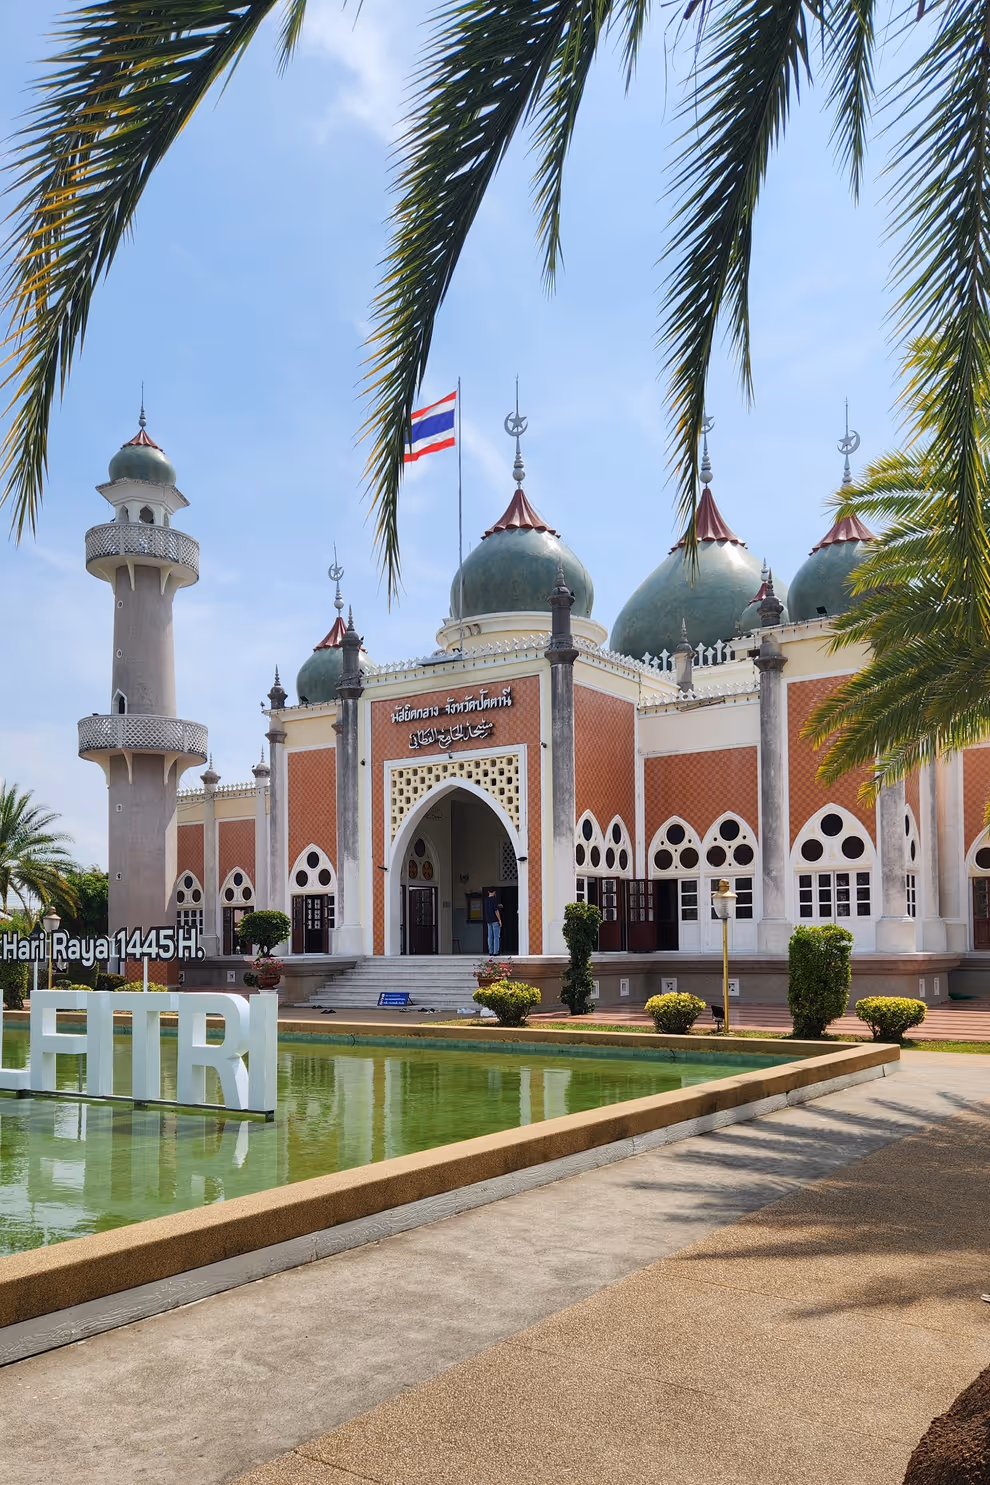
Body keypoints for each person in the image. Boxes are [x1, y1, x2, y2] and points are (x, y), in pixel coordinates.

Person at [483, 887, 502, 955]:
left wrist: (497, 905)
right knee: (496, 936)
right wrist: (499, 920)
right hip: (494, 920)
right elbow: (496, 910)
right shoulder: (494, 899)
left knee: (490, 936)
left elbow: (490, 907)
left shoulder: (486, 900)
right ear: (494, 892)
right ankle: (495, 952)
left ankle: (490, 951)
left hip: (488, 920)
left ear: (488, 892)